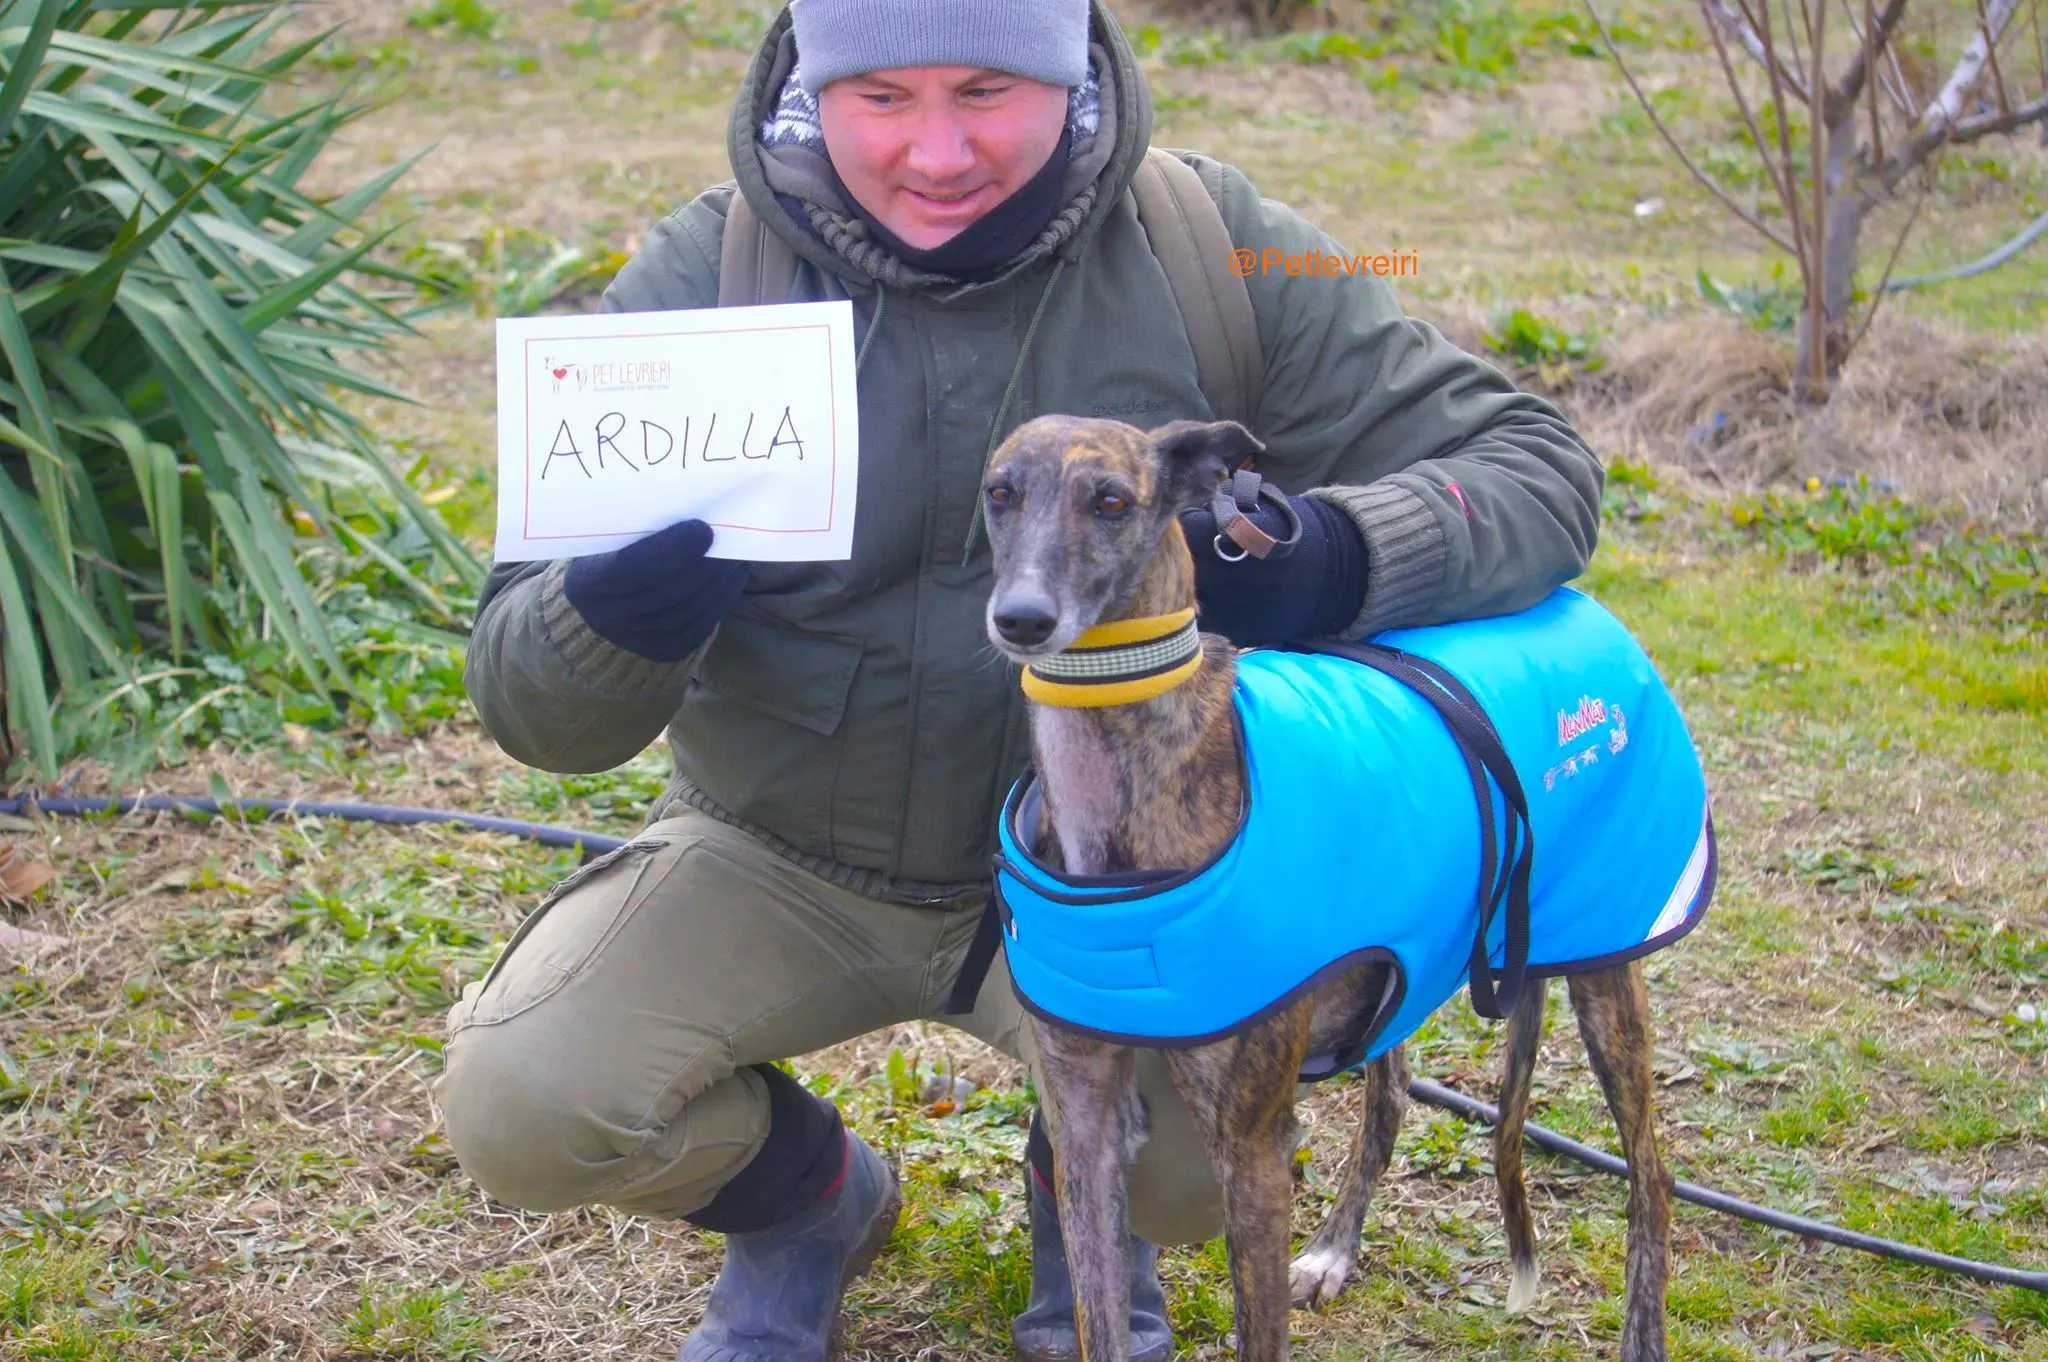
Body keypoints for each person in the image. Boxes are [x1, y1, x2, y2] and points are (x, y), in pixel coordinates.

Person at [438, 1, 1603, 1357]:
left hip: (1113, 873)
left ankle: (1084, 1187)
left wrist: (1341, 555)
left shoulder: (1213, 248)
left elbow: (1540, 467)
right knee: (527, 1099)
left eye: (988, 87)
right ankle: (812, 1200)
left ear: (1073, 71)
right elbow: (527, 702)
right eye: (881, 97)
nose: (937, 153)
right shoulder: (714, 271)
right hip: (784, 858)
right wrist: (603, 619)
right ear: (814, 81)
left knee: (1194, 1157)